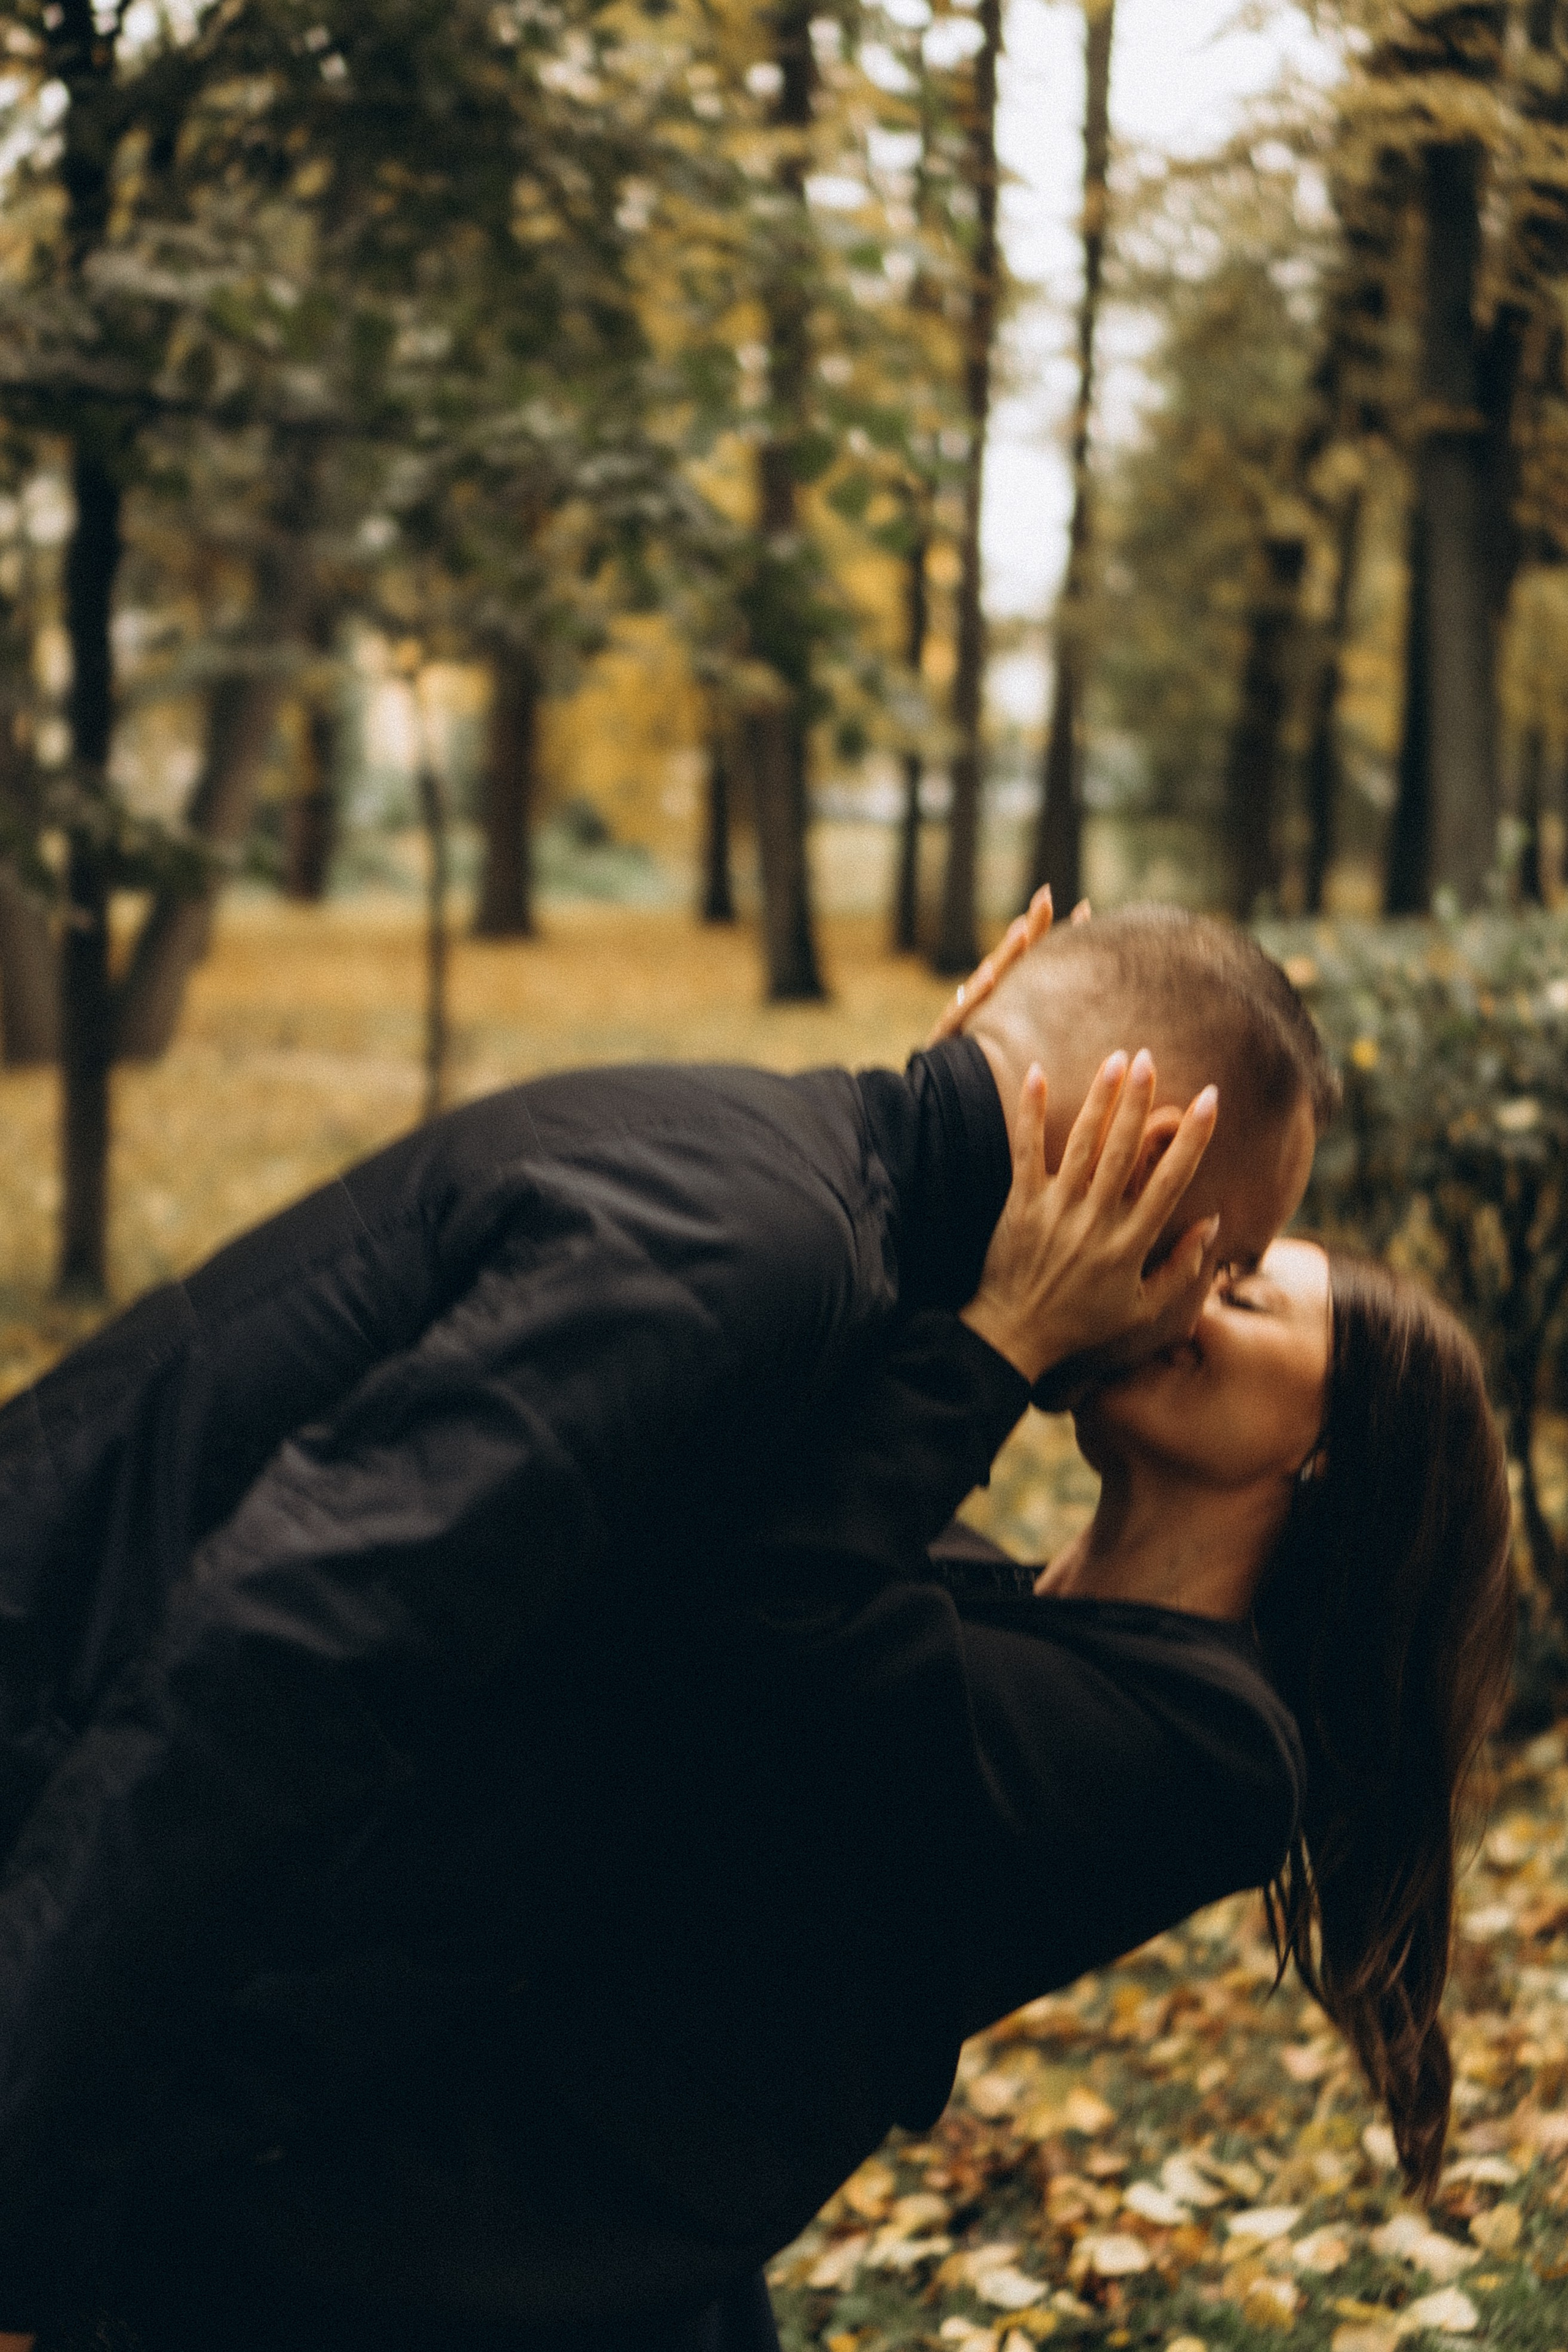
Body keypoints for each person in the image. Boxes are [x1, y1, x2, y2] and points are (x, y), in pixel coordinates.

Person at [0, 902, 1336, 2343]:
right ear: (1141, 1171)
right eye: (1224, 1249)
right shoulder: (751, 1253)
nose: (1198, 1299)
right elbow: (270, 1677)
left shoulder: (797, 1207)